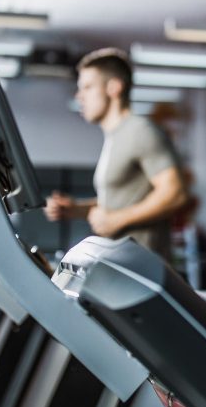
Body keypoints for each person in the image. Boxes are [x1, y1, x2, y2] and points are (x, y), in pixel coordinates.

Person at [44, 48, 188, 260]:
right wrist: (76, 209)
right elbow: (118, 202)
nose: (79, 96)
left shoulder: (140, 131)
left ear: (114, 87)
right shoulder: (116, 136)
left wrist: (116, 220)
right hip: (121, 265)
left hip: (143, 268)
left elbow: (175, 194)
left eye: (88, 87)